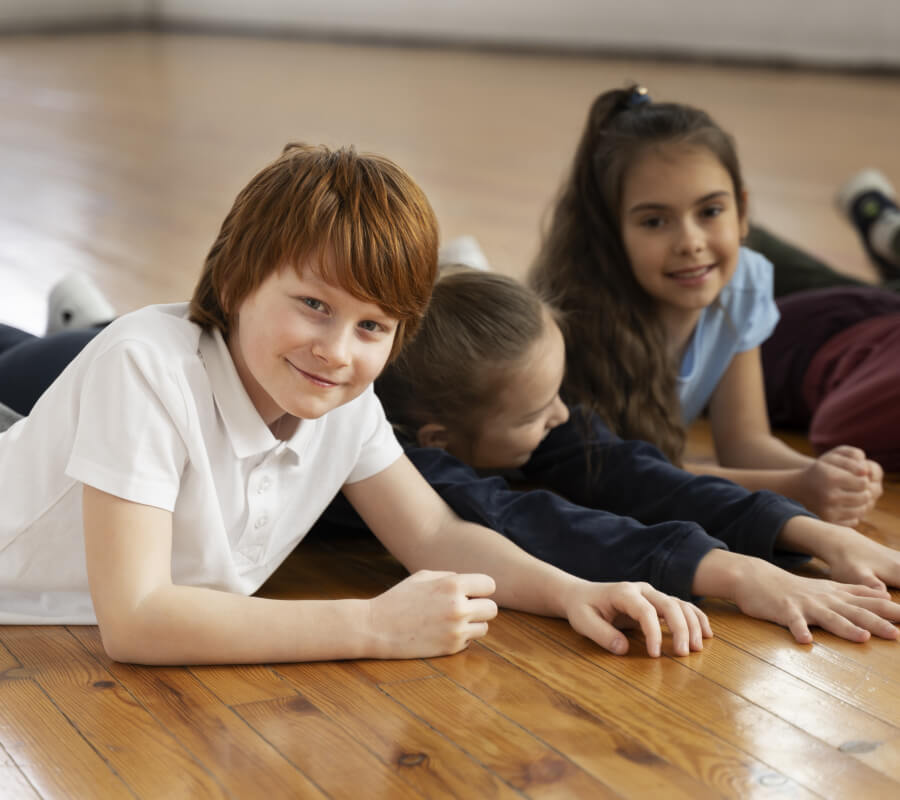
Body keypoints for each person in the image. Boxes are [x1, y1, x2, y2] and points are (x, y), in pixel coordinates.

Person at [0, 143, 713, 664]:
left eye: (372, 325)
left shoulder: (343, 399)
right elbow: (137, 620)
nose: (338, 352)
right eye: (314, 304)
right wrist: (372, 625)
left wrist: (572, 592)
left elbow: (435, 534)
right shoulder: (145, 366)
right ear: (237, 278)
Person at [363, 266, 900, 644]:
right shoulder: (397, 448)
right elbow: (534, 523)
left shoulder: (516, 406)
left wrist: (819, 535)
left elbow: (630, 471)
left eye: (557, 393)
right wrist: (741, 576)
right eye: (535, 413)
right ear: (438, 438)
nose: (561, 415)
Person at [528, 85, 887, 527]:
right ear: (610, 232)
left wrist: (826, 474)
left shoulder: (742, 285)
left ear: (743, 211)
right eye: (655, 221)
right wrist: (797, 488)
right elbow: (624, 479)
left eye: (710, 211)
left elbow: (744, 442)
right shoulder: (577, 321)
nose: (690, 242)